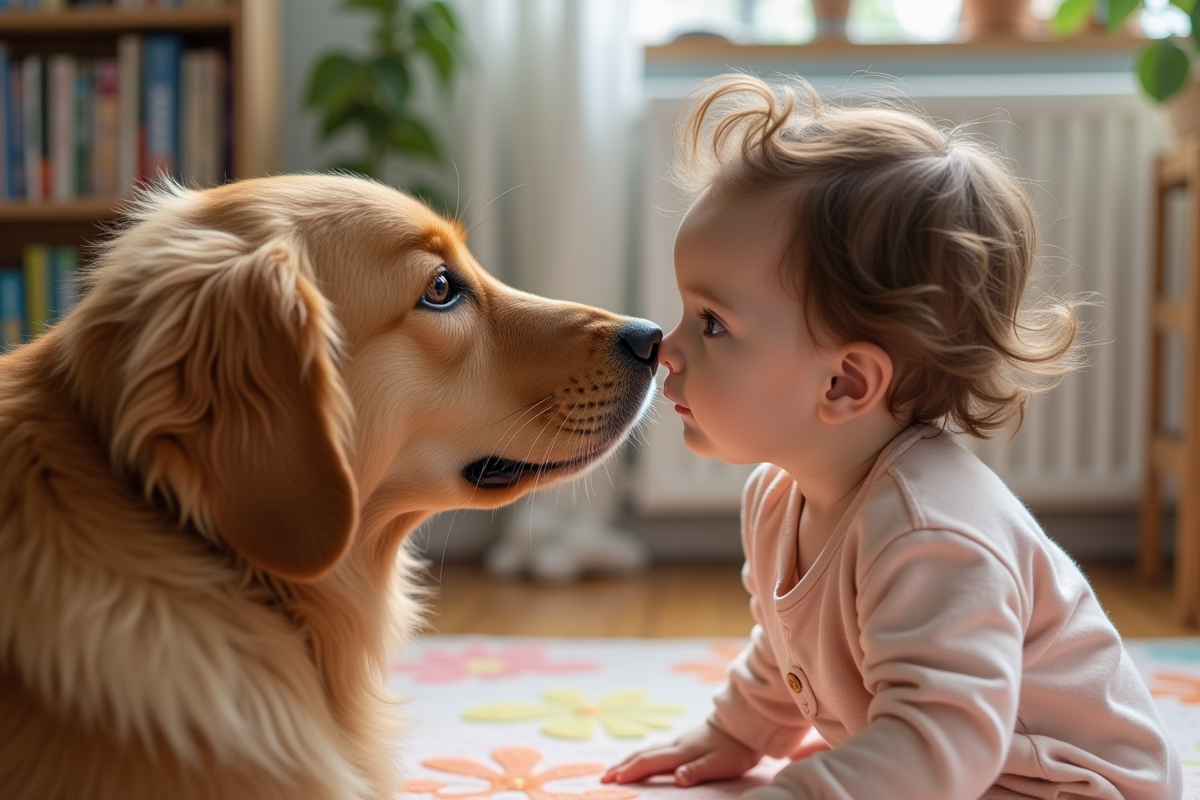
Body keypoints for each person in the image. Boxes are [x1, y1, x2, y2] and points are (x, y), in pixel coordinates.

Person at [601, 74, 1181, 800]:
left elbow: (938, 742)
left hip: (1066, 787)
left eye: (712, 323)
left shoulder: (928, 536)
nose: (667, 346)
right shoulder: (780, 499)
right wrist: (736, 734)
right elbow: (788, 651)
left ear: (844, 384)